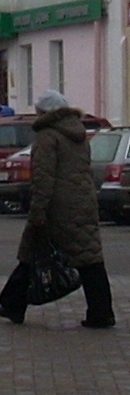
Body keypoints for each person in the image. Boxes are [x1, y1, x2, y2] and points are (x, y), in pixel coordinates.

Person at [0, 90, 114, 328]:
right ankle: (102, 313)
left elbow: (43, 178)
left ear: (45, 112)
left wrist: (37, 212)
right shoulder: (79, 135)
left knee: (32, 253)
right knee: (89, 258)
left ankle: (11, 304)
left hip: (57, 207)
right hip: (83, 203)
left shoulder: (47, 137)